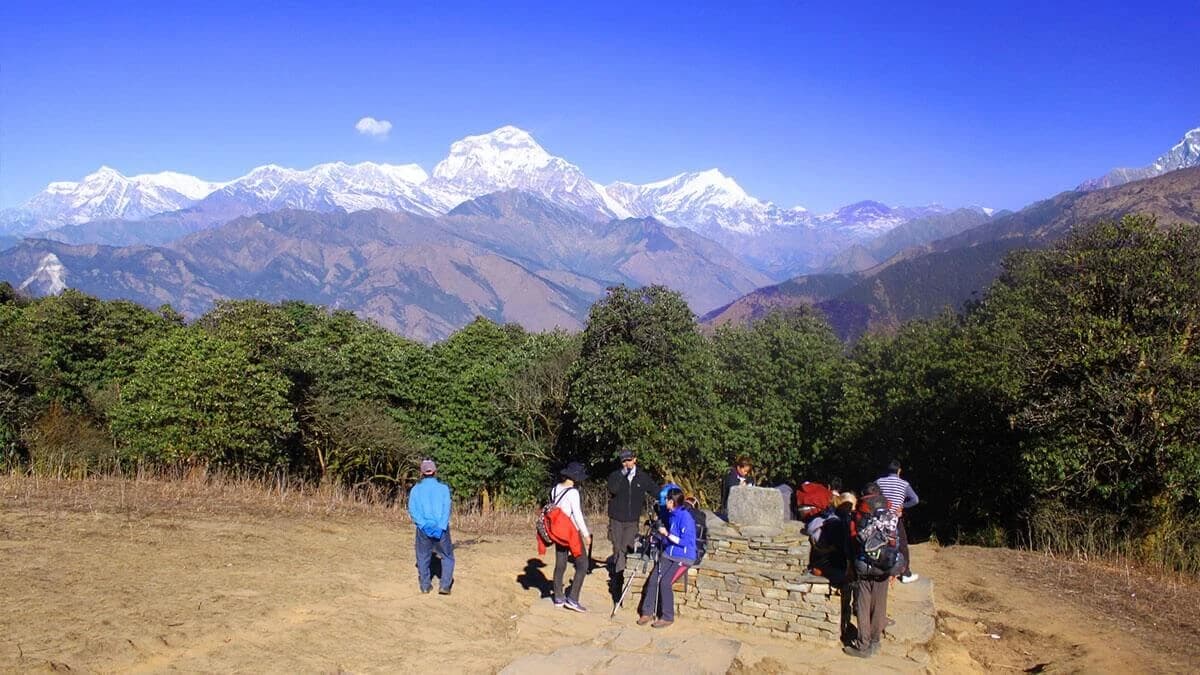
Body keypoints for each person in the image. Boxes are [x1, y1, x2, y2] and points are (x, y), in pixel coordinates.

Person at [637, 486, 696, 629]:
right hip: (669, 552)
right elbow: (668, 536)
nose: (665, 504)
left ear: (672, 501)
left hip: (684, 556)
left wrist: (666, 535)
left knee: (665, 582)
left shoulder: (685, 517)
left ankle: (667, 616)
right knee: (653, 579)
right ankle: (647, 612)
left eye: (667, 501)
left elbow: (685, 542)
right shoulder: (672, 514)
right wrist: (659, 538)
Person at [844, 482, 891, 658]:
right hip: (884, 565)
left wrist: (851, 563)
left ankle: (863, 645)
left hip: (863, 565)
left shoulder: (858, 515)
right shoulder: (889, 515)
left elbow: (852, 540)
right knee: (879, 605)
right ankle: (875, 642)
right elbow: (896, 541)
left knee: (863, 605)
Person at [606, 448, 658, 579]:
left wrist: (671, 498)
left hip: (632, 520)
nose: (627, 463)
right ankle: (618, 578)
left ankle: (622, 574)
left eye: (629, 460)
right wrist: (622, 474)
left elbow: (655, 491)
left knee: (627, 547)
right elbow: (613, 489)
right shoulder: (615, 476)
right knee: (617, 548)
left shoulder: (642, 477)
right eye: (624, 461)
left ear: (634, 460)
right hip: (616, 519)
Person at [408, 458, 454, 595]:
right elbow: (447, 508)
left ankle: (425, 586)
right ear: (435, 472)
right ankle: (445, 586)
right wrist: (441, 526)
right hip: (441, 528)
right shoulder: (444, 489)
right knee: (447, 556)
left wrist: (422, 524)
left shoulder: (416, 489)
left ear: (421, 473)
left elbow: (412, 509)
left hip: (423, 528)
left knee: (422, 556)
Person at [551, 461, 592, 612]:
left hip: (557, 532)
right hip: (571, 532)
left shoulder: (556, 489)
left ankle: (558, 596)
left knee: (560, 563)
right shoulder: (573, 492)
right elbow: (577, 515)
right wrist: (586, 534)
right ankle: (573, 598)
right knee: (583, 564)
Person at [877, 459, 920, 583]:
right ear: (899, 471)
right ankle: (905, 573)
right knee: (902, 545)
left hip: (881, 518)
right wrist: (903, 506)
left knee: (881, 542)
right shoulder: (904, 484)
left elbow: (873, 495)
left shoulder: (879, 482)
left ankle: (881, 569)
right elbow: (915, 500)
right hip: (896, 518)